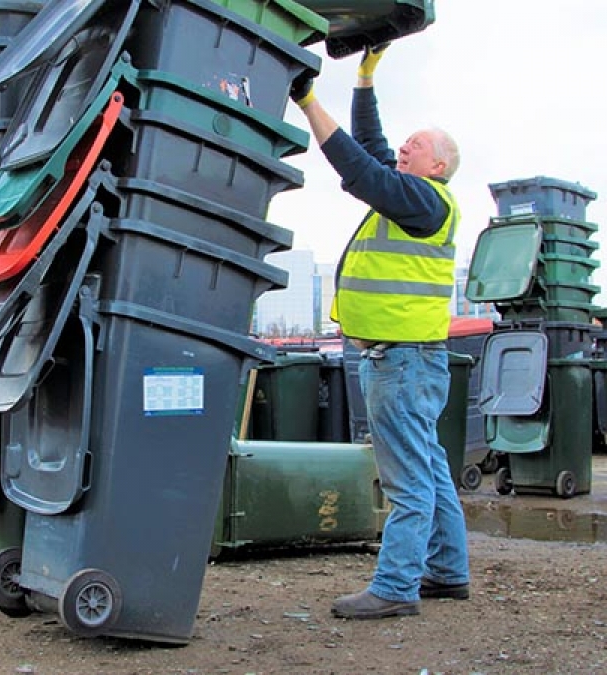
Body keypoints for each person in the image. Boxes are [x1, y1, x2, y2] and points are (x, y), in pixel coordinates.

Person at [290, 43, 470, 620]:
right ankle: (448, 571)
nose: (404, 148)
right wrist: (365, 77)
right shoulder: (411, 197)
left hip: (403, 362)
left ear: (436, 165)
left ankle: (396, 588)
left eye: (415, 144)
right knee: (430, 469)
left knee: (408, 481)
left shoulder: (424, 201)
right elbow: (371, 150)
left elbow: (359, 166)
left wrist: (308, 99)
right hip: (408, 362)